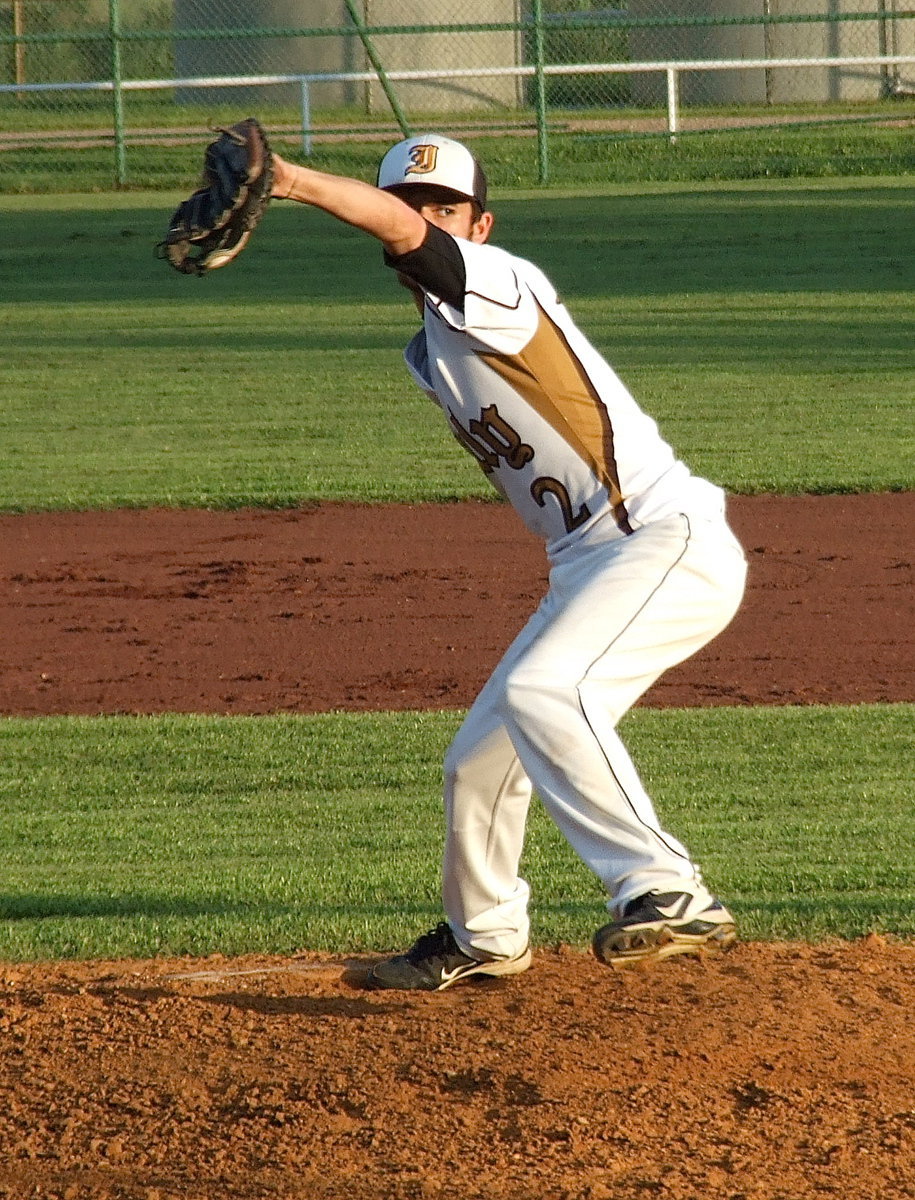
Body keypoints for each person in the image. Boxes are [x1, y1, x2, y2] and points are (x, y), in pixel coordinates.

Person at [269, 133, 747, 991]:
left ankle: (666, 889)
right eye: (409, 204)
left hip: (660, 540)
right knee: (481, 762)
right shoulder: (431, 343)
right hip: (587, 565)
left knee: (546, 693)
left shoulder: (498, 282)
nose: (421, 220)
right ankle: (485, 935)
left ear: (477, 226)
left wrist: (288, 180)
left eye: (442, 209)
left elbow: (407, 239)